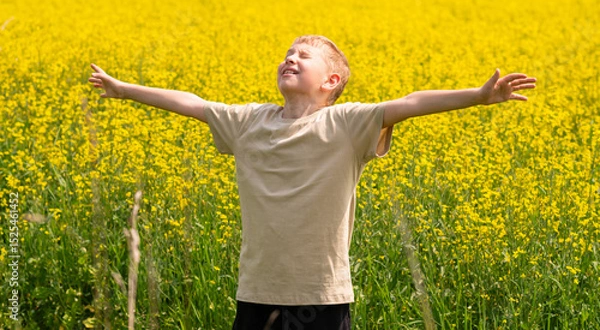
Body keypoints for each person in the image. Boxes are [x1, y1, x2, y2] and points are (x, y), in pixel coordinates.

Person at [88, 34, 536, 329]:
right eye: (287, 54)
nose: (290, 58)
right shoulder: (248, 121)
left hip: (321, 295)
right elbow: (192, 103)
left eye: (304, 56)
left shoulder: (347, 123)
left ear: (332, 81)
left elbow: (410, 101)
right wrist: (123, 88)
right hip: (257, 290)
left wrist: (478, 98)